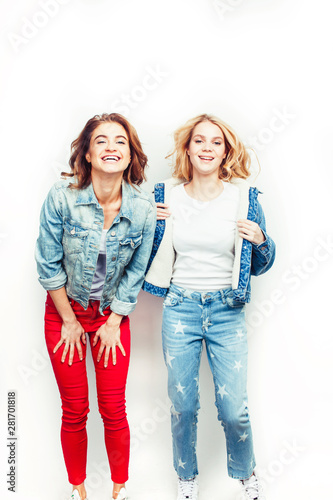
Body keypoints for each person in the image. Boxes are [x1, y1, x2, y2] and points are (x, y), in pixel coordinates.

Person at [143, 114, 276, 500]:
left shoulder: (243, 198)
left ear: (225, 151)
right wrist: (153, 222)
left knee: (233, 407)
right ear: (187, 148)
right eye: (198, 140)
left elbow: (263, 263)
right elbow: (144, 252)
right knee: (183, 405)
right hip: (180, 307)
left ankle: (244, 473)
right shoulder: (165, 197)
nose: (206, 147)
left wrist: (262, 238)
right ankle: (186, 478)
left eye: (215, 142)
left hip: (226, 309)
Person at [35, 113, 156, 500]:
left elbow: (137, 271)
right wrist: (68, 320)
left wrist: (116, 318)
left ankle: (119, 490)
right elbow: (47, 262)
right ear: (87, 153)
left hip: (110, 317)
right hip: (64, 313)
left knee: (113, 408)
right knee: (74, 410)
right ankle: (78, 490)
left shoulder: (142, 208)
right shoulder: (62, 196)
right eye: (101, 141)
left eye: (120, 141)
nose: (111, 148)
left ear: (129, 154)